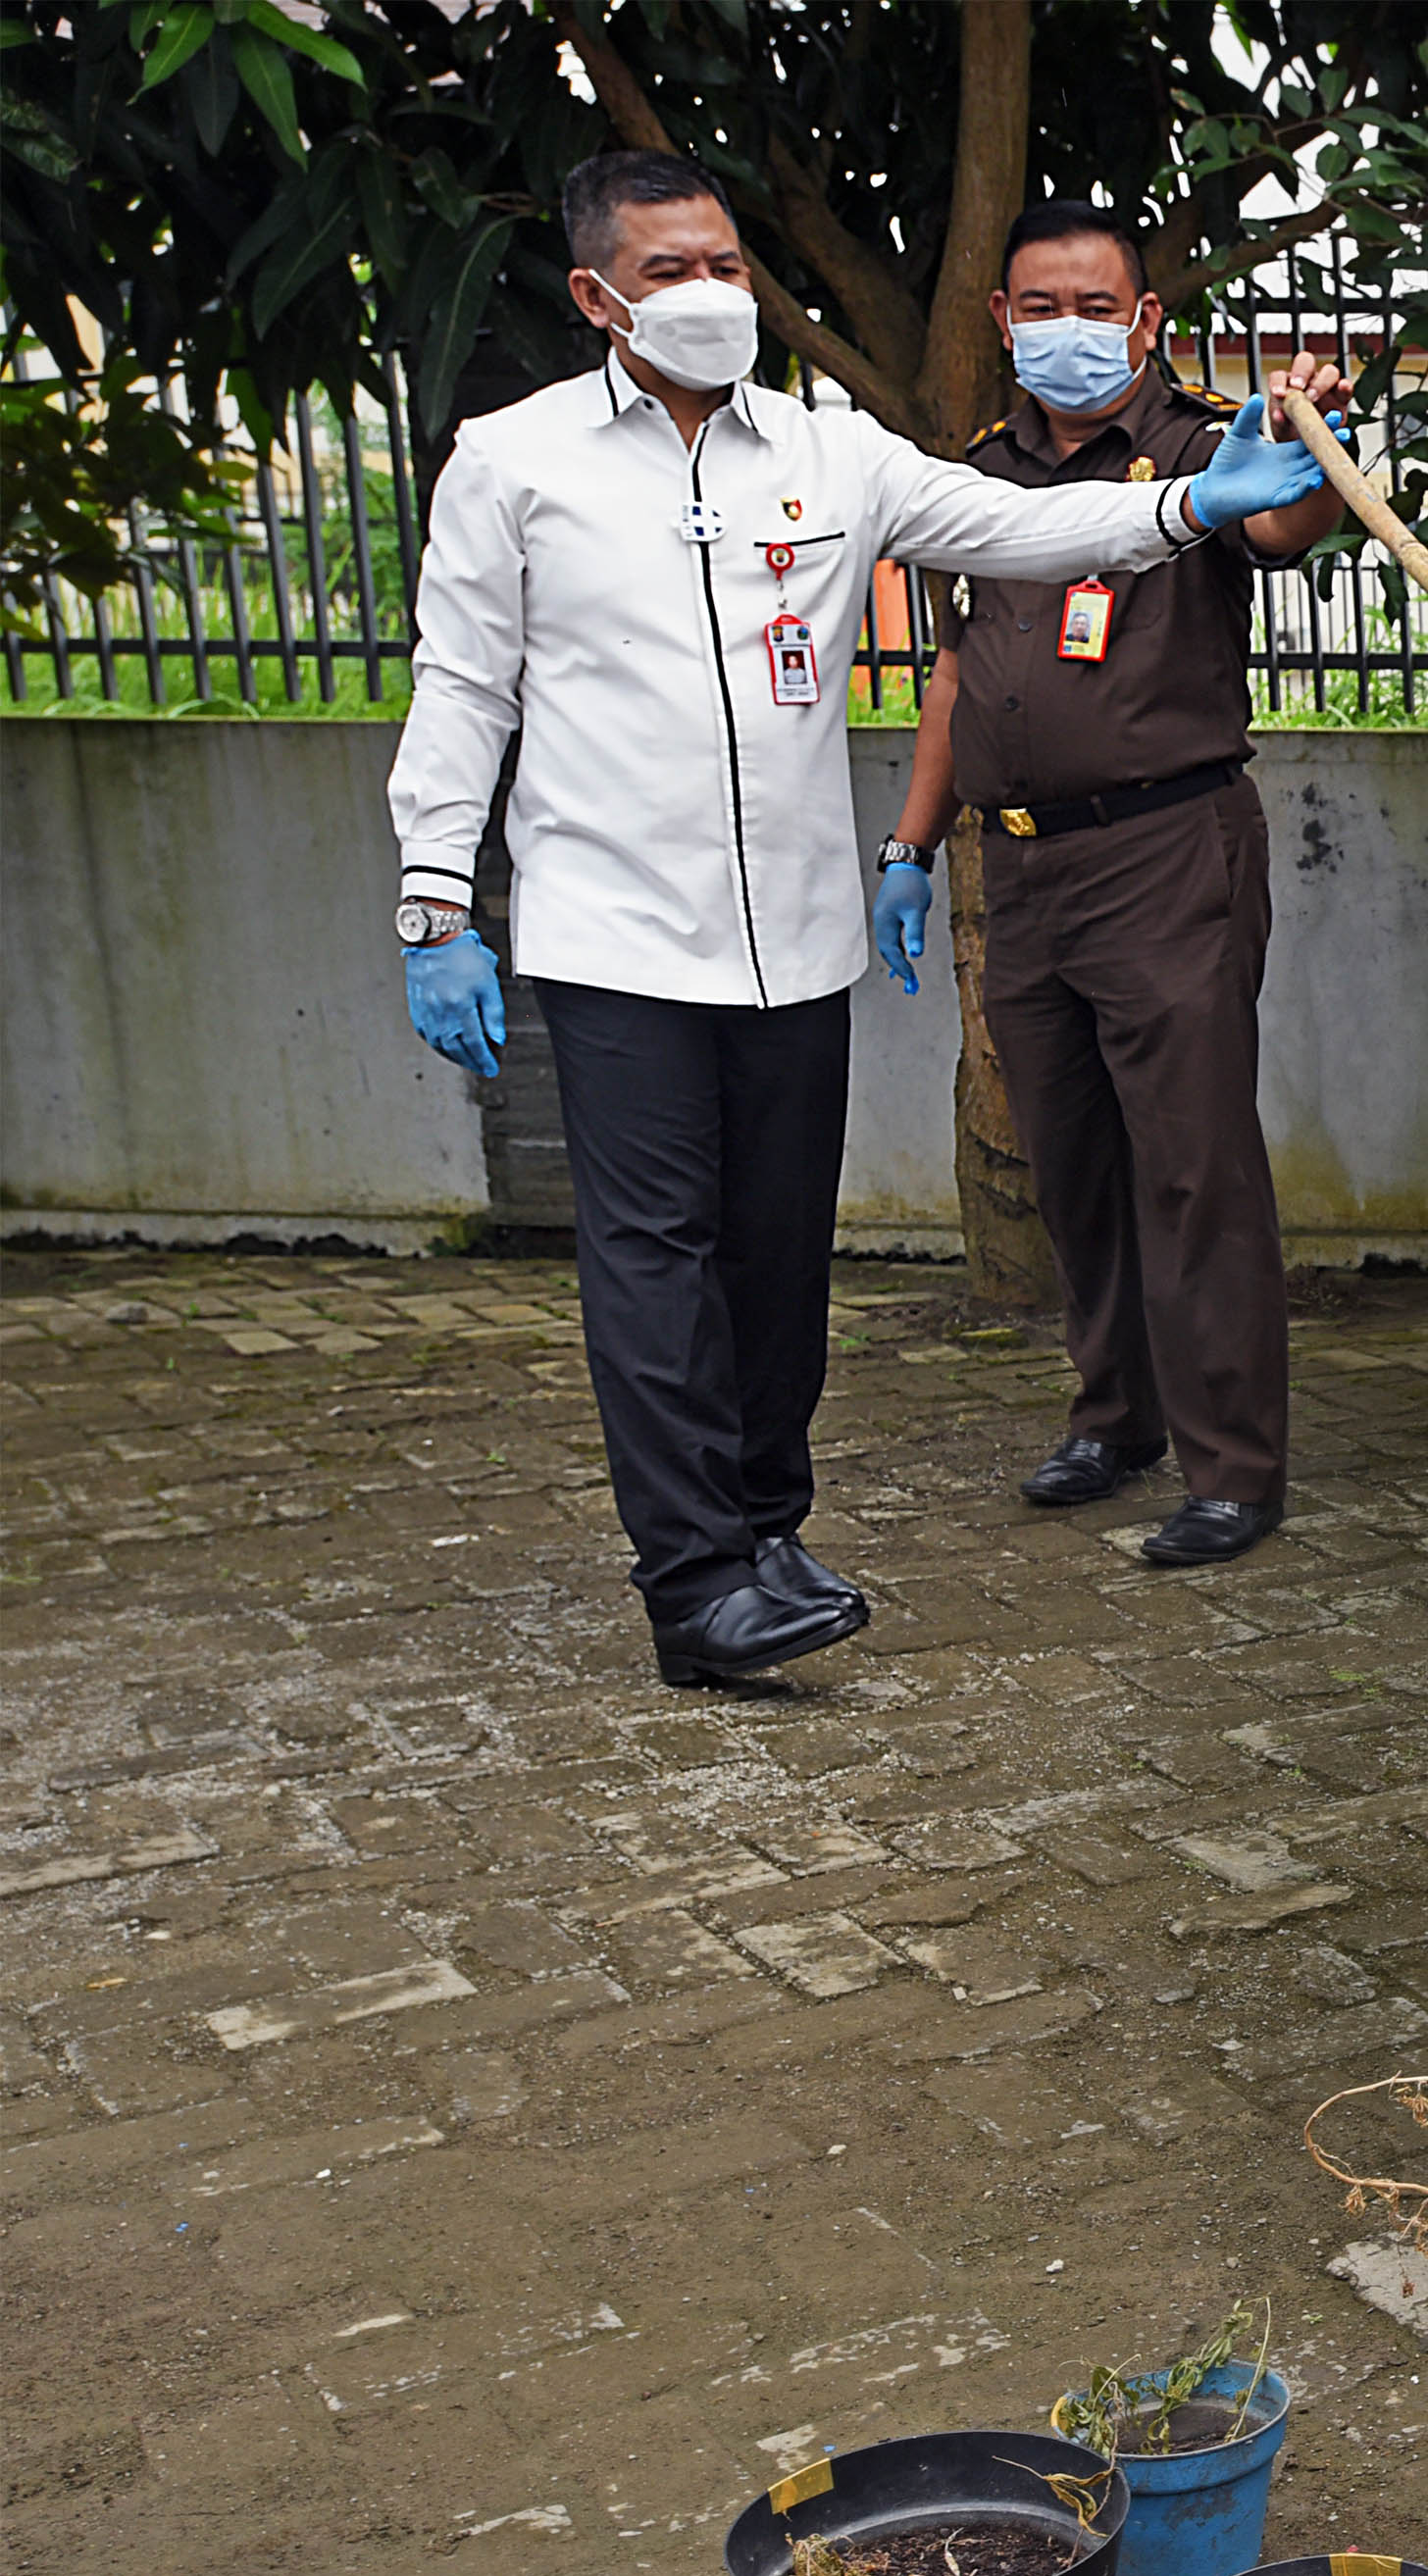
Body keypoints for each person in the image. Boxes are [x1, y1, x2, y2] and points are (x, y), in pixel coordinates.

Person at [388, 151, 1340, 1689]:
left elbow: (1014, 530)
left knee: (776, 1259)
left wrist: (1182, 508)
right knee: (655, 1259)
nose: (710, 295)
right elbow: (462, 686)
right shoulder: (515, 461)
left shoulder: (834, 455)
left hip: (793, 937)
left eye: (725, 266)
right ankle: (695, 1582)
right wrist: (437, 900)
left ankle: (766, 1527)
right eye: (667, 273)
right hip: (614, 938)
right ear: (593, 297)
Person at [878, 203, 1345, 1566]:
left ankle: (1233, 1467)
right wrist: (910, 848)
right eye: (1040, 306)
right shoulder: (980, 475)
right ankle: (1115, 1414)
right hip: (1018, 862)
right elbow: (955, 674)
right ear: (1001, 319)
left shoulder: (1204, 452)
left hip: (1166, 851)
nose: (1066, 330)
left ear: (1145, 321)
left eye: (1097, 307)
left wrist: (1307, 441)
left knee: (1193, 1164)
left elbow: (1286, 529)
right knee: (1070, 1160)